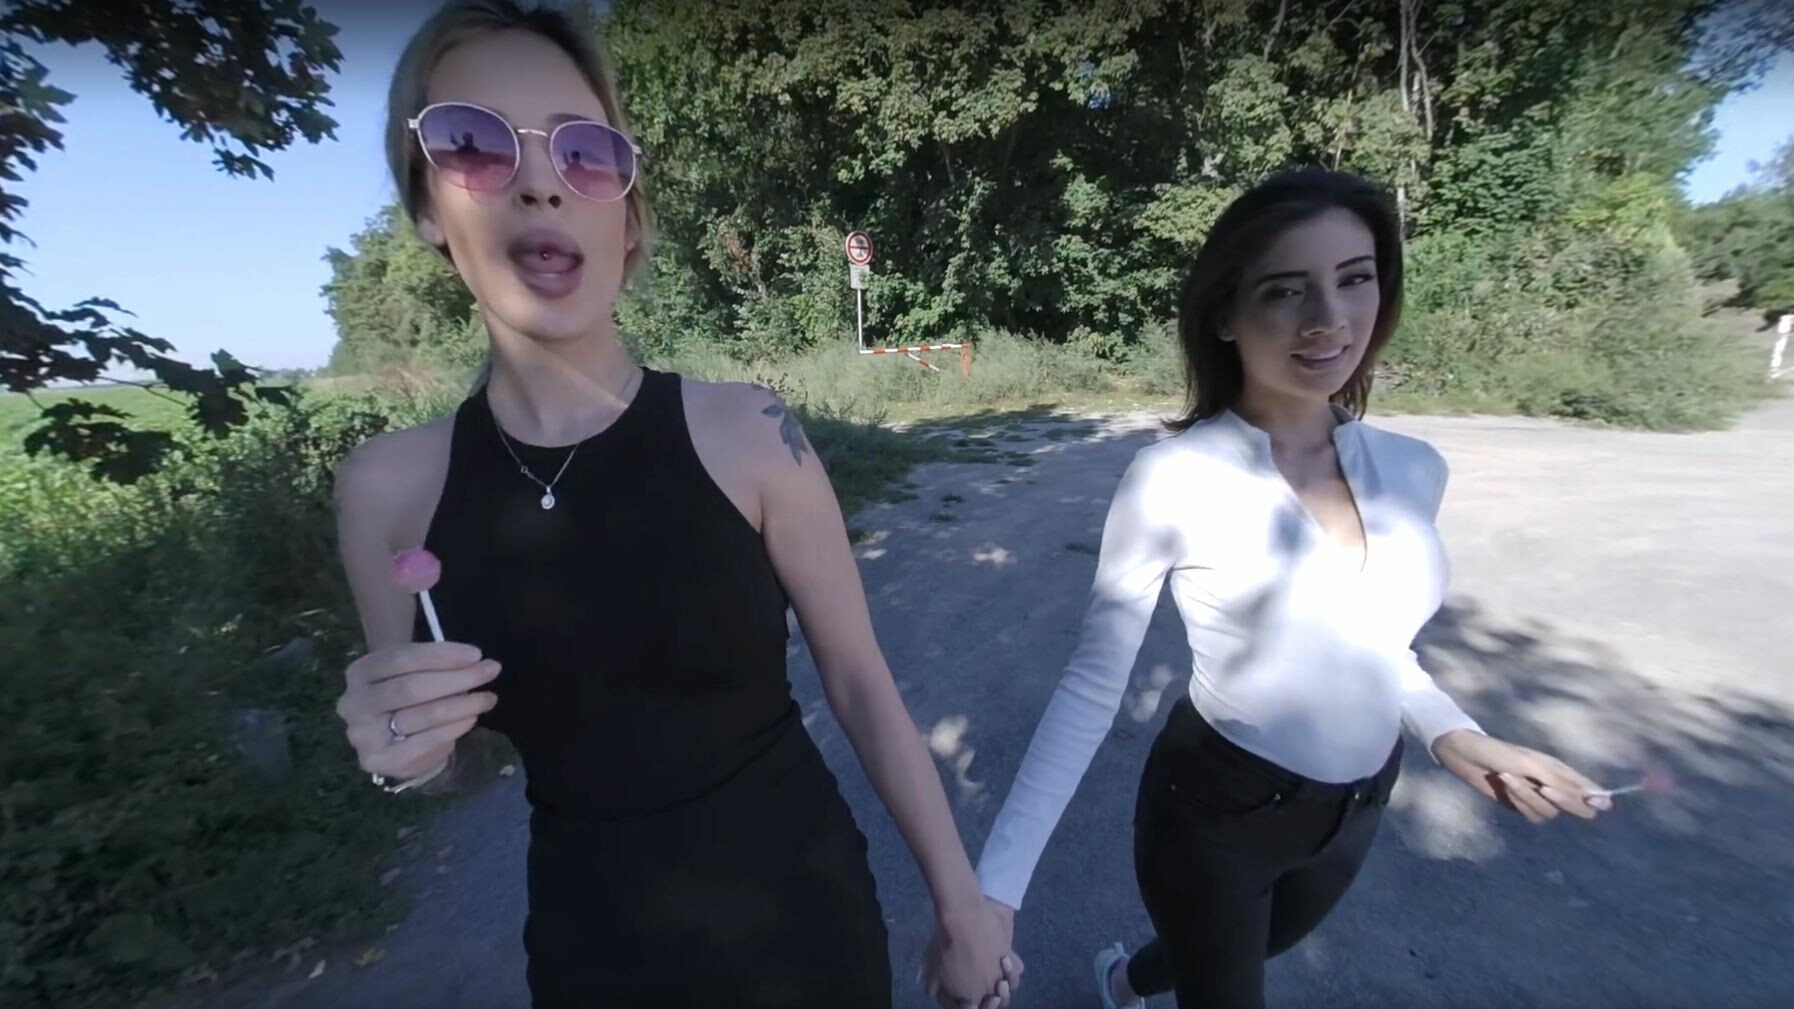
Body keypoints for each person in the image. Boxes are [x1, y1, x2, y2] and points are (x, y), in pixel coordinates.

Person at [329, 3, 1019, 1006]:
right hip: (592, 956)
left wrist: (962, 910)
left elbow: (861, 679)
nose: (539, 181)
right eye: (474, 142)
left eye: (583, 151)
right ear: (428, 206)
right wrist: (402, 757)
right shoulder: (386, 491)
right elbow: (447, 760)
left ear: (626, 217)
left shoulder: (753, 431)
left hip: (808, 932)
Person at [961, 168, 1616, 1009]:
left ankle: (1124, 980)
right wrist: (995, 891)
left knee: (1257, 943)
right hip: (1217, 811)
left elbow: (1375, 642)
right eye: (1284, 290)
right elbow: (1093, 685)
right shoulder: (1174, 478)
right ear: (1225, 315)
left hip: (1361, 803)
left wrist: (1454, 734)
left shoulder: (1415, 469)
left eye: (1355, 278)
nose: (1329, 318)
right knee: (1224, 970)